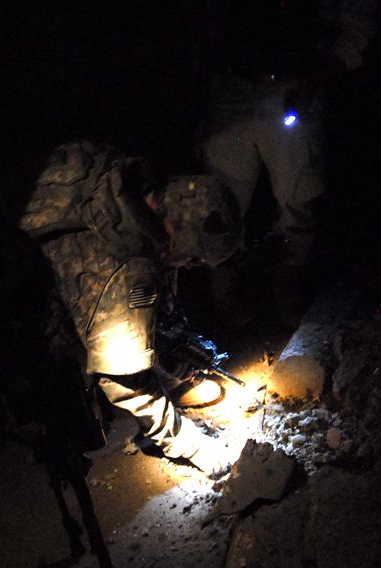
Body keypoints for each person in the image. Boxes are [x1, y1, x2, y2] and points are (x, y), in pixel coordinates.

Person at [18, 139, 244, 476]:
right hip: (19, 302)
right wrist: (192, 444)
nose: (192, 266)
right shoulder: (121, 271)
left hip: (29, 232)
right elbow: (124, 381)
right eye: (195, 258)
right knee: (103, 364)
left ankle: (171, 372)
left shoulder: (133, 183)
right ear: (172, 230)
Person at [200, 0, 378, 327]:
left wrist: (319, 75)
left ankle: (287, 291)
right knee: (218, 202)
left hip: (291, 89)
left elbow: (358, 24)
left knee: (298, 200)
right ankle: (223, 302)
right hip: (232, 88)